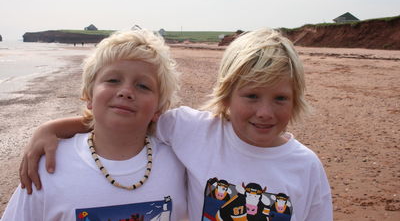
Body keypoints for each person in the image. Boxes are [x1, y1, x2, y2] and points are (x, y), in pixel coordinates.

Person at [18, 28, 333, 221]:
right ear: (226, 96)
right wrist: (51, 129)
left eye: (280, 99)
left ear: (295, 100)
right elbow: (124, 120)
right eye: (251, 95)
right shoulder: (193, 131)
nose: (265, 112)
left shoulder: (305, 167)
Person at [2, 30, 187, 220]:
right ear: (89, 96)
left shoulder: (180, 163)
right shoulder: (48, 166)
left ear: (158, 108)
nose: (126, 92)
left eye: (143, 86)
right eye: (113, 80)